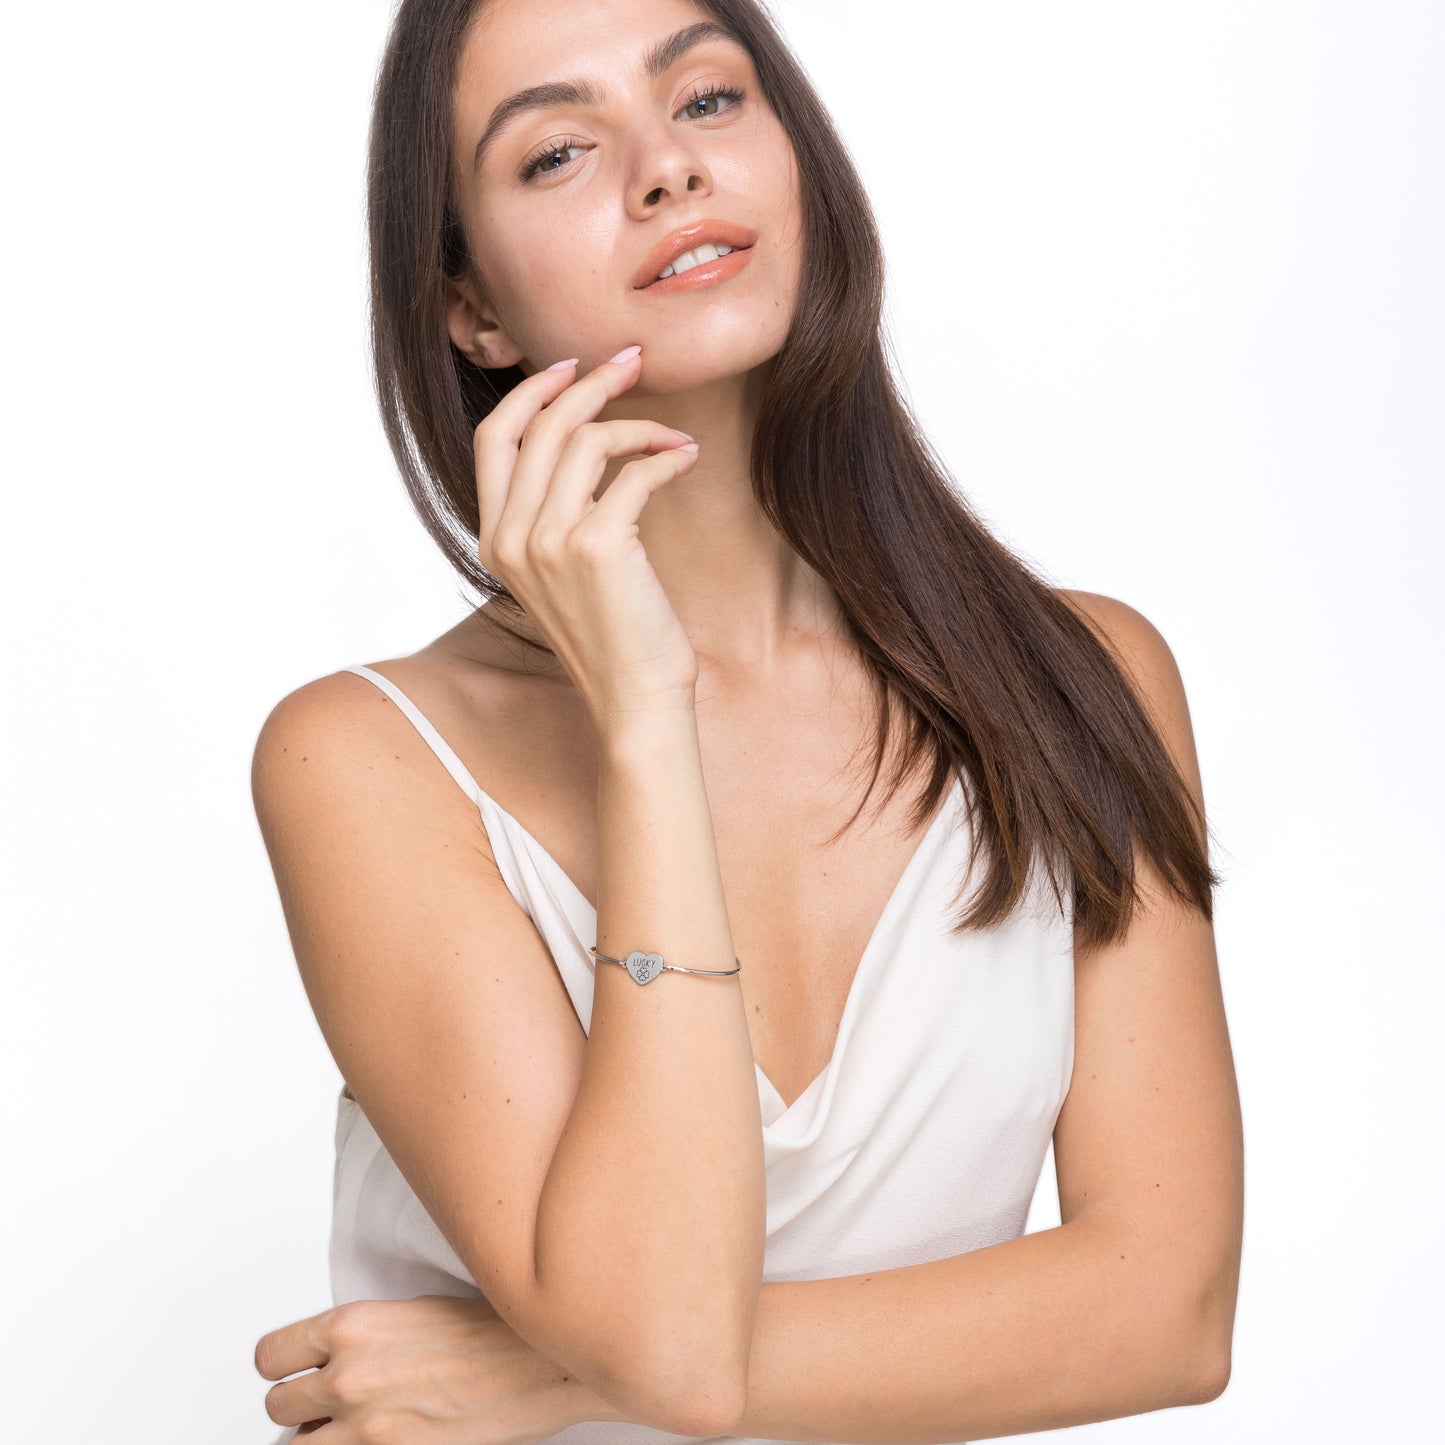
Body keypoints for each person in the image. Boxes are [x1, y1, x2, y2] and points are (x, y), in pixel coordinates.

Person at [250, 0, 1244, 1440]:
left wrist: (539, 1368)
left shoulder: (1083, 680)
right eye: (556, 153)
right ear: (472, 308)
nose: (665, 167)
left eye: (707, 99)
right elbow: (661, 1333)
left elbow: (1169, 1314)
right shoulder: (365, 759)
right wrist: (644, 717)